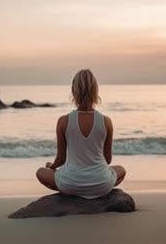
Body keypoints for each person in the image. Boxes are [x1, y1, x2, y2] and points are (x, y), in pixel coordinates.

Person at [36, 69, 126, 199]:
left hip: (71, 184)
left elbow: (61, 159)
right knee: (121, 170)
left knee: (40, 172)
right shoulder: (106, 121)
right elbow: (107, 160)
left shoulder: (63, 121)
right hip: (101, 184)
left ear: (73, 91)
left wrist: (52, 167)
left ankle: (74, 191)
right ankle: (92, 190)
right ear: (96, 91)